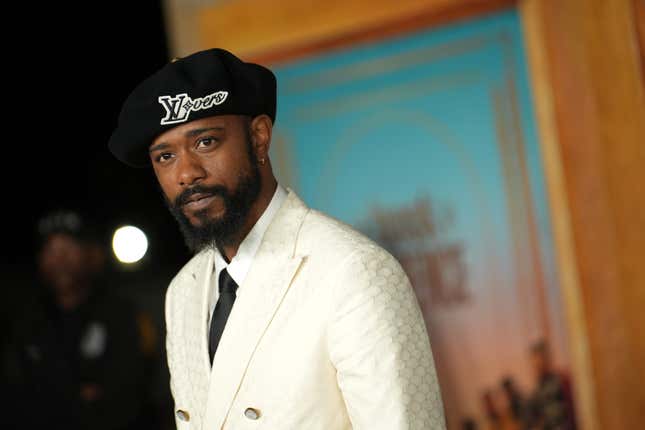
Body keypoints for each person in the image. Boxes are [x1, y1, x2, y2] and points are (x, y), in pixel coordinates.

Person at [107, 48, 445, 429]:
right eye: (165, 156)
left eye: (205, 142)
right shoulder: (183, 291)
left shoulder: (353, 271)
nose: (186, 173)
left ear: (259, 137)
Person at [2, 210, 157, 430]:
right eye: (51, 250)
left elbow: (132, 392)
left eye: (69, 248)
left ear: (92, 254)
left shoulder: (122, 313)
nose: (60, 260)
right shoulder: (24, 319)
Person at [526, 340, 577, 430]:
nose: (537, 365)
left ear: (547, 359)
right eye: (534, 362)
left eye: (540, 360)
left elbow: (573, 410)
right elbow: (536, 417)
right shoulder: (537, 390)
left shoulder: (562, 381)